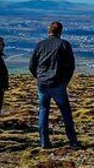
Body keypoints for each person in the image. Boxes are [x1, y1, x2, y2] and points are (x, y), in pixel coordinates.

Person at [29, 21, 80, 149]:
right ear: (60, 31)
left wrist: (39, 77)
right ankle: (73, 141)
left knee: (43, 111)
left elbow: (31, 65)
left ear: (49, 30)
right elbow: (71, 66)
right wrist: (65, 81)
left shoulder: (40, 45)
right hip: (58, 84)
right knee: (65, 112)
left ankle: (44, 142)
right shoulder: (64, 45)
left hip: (42, 84)